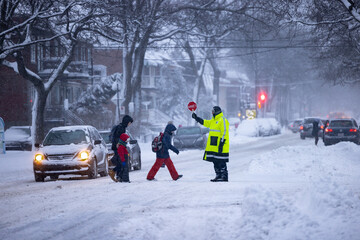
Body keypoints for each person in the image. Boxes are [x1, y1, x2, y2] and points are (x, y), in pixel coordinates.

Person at [192, 106, 229, 182]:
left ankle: (224, 176)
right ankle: (218, 175)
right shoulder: (213, 120)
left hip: (220, 145)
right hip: (213, 145)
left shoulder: (222, 120)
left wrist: (222, 143)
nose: (212, 112)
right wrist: (197, 118)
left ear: (217, 111)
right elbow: (205, 122)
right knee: (215, 161)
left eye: (213, 111)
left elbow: (224, 132)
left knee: (221, 161)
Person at [111, 115, 133, 181]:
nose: (130, 124)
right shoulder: (121, 128)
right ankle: (114, 172)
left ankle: (118, 176)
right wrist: (120, 145)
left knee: (120, 162)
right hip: (118, 147)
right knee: (121, 162)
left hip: (117, 147)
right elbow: (118, 138)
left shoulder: (121, 127)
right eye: (129, 122)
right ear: (127, 122)